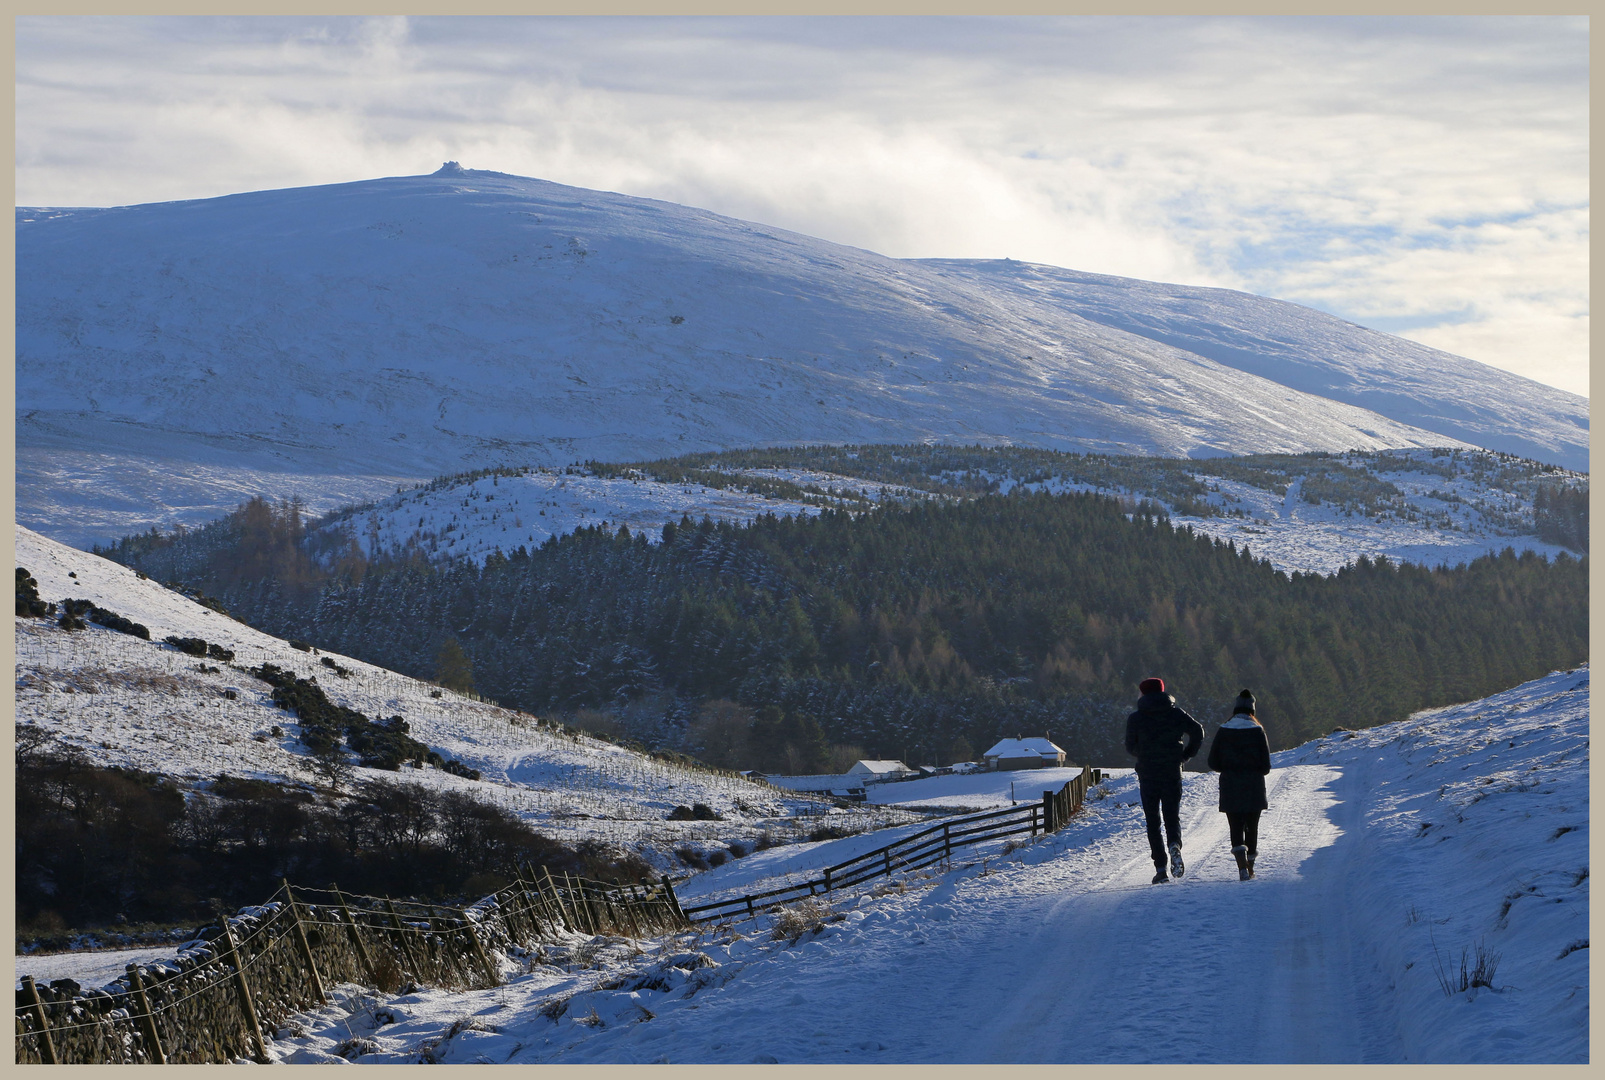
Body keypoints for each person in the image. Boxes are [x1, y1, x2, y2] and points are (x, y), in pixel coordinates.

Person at [1125, 676, 1203, 884]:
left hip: (1148, 773)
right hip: (1171, 771)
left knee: (1153, 822)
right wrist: (1185, 755)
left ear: (1143, 693)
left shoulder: (1136, 718)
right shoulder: (1175, 713)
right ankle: (1174, 845)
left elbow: (1129, 747)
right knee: (1171, 816)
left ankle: (1160, 869)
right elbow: (1198, 731)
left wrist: (1143, 752)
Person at [1206, 688, 1272, 881]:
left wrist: (1228, 768)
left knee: (1235, 826)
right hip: (1254, 786)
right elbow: (1266, 766)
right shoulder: (1258, 730)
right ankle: (1250, 865)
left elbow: (1212, 762)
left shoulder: (1223, 729)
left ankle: (1241, 866)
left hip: (1230, 785)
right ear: (1253, 710)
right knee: (1252, 826)